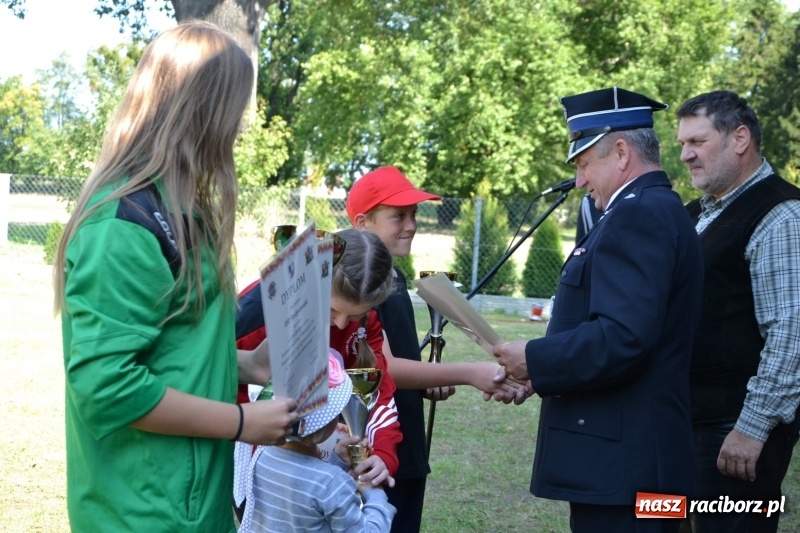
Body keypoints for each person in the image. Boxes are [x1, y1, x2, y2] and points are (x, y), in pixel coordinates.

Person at [53, 21, 298, 532]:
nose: (240, 128)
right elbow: (107, 387)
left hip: (192, 504)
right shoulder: (123, 226)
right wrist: (241, 423)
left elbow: (174, 348)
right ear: (201, 112)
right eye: (234, 110)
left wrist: (249, 365)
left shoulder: (187, 213)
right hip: (143, 511)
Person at [492, 86, 704, 533]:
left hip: (628, 469)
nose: (581, 181)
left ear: (622, 152)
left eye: (585, 164)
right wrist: (541, 373)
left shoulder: (638, 215)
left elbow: (623, 337)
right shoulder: (655, 209)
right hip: (636, 464)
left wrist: (533, 359)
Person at [345, 165, 531, 532]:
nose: (411, 225)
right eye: (398, 216)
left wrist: (427, 380)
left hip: (404, 445)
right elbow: (382, 368)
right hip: (374, 449)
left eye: (414, 214)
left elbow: (397, 364)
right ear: (363, 222)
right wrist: (468, 373)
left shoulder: (391, 277)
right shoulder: (360, 284)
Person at [676, 90, 800, 533]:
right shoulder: (695, 213)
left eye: (698, 142)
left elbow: (792, 332)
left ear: (740, 138)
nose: (686, 155)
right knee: (663, 520)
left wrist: (752, 429)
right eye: (682, 145)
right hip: (683, 422)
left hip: (736, 434)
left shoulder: (782, 214)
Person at [235, 229, 403, 492]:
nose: (340, 323)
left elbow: (378, 394)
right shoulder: (262, 310)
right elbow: (226, 386)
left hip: (325, 467)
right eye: (333, 309)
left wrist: (383, 453)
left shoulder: (366, 324)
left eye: (355, 315)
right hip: (259, 467)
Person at [238, 350, 397, 532]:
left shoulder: (263, 456)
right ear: (324, 421)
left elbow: (306, 484)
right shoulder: (332, 483)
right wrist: (374, 494)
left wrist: (335, 461)